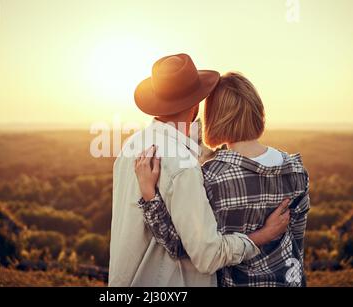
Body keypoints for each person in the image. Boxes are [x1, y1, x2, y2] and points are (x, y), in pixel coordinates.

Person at [108, 54, 290, 287]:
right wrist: (262, 236)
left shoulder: (132, 145)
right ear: (196, 104)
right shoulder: (183, 165)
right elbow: (208, 256)